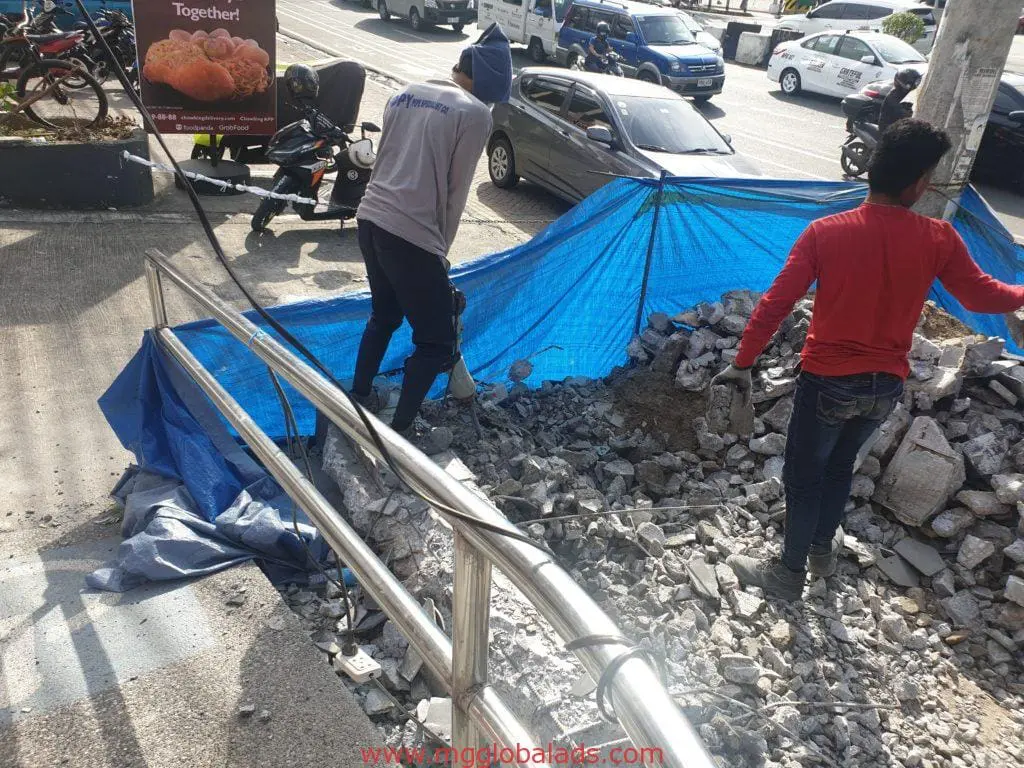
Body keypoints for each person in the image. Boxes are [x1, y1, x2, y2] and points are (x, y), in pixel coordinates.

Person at [711, 120, 1024, 602]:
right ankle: (821, 554)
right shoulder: (938, 238)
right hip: (884, 387)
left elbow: (775, 303)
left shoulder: (825, 233)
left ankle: (788, 574)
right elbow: (984, 295)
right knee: (840, 469)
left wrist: (743, 362)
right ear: (918, 183)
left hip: (828, 382)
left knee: (803, 477)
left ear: (874, 169)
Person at [350, 24, 512, 436]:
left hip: (370, 219)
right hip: (411, 234)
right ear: (487, 84)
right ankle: (399, 431)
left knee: (385, 315)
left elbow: (386, 159)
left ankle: (359, 397)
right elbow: (456, 193)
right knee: (436, 341)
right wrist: (440, 253)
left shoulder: (404, 92)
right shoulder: (474, 113)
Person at [877, 68, 922, 134]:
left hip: (900, 126)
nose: (915, 86)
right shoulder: (893, 97)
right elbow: (904, 114)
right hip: (888, 129)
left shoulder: (907, 94)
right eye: (911, 85)